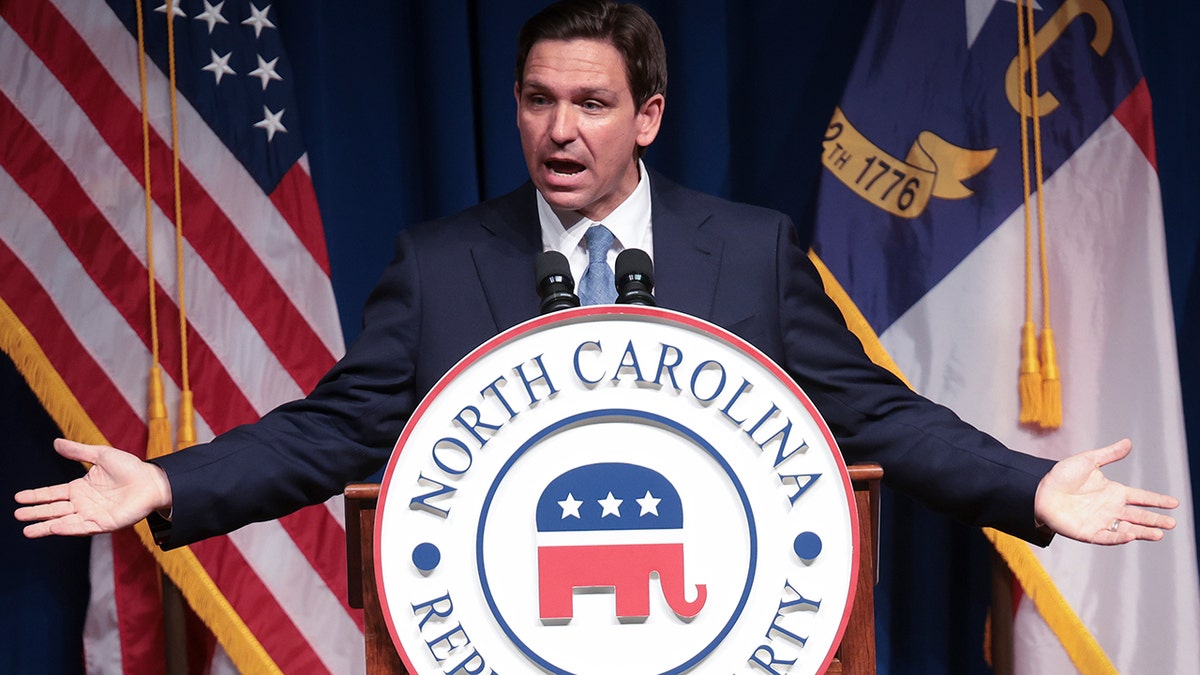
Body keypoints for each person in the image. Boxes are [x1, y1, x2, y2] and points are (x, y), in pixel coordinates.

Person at [14, 0, 1177, 550]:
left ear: (649, 116)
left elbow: (874, 411)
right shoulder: (442, 265)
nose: (557, 131)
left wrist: (1027, 489)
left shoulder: (750, 253)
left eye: (590, 103)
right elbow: (334, 430)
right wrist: (169, 483)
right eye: (536, 100)